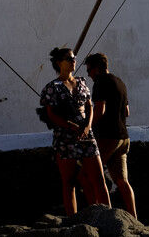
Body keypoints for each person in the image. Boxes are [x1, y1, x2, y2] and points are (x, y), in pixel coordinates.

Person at [40, 47, 111, 216]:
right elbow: (51, 114)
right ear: (59, 63)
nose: (73, 61)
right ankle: (73, 219)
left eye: (74, 58)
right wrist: (69, 125)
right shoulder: (52, 87)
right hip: (65, 136)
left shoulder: (81, 82)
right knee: (69, 182)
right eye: (69, 59)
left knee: (99, 178)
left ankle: (109, 215)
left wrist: (87, 127)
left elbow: (89, 106)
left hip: (86, 134)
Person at [85, 52, 137, 218]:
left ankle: (100, 216)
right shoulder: (120, 82)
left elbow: (99, 110)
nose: (88, 74)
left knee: (87, 175)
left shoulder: (100, 83)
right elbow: (127, 112)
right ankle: (134, 218)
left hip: (107, 137)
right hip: (123, 137)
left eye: (90, 70)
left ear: (97, 69)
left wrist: (87, 127)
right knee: (122, 181)